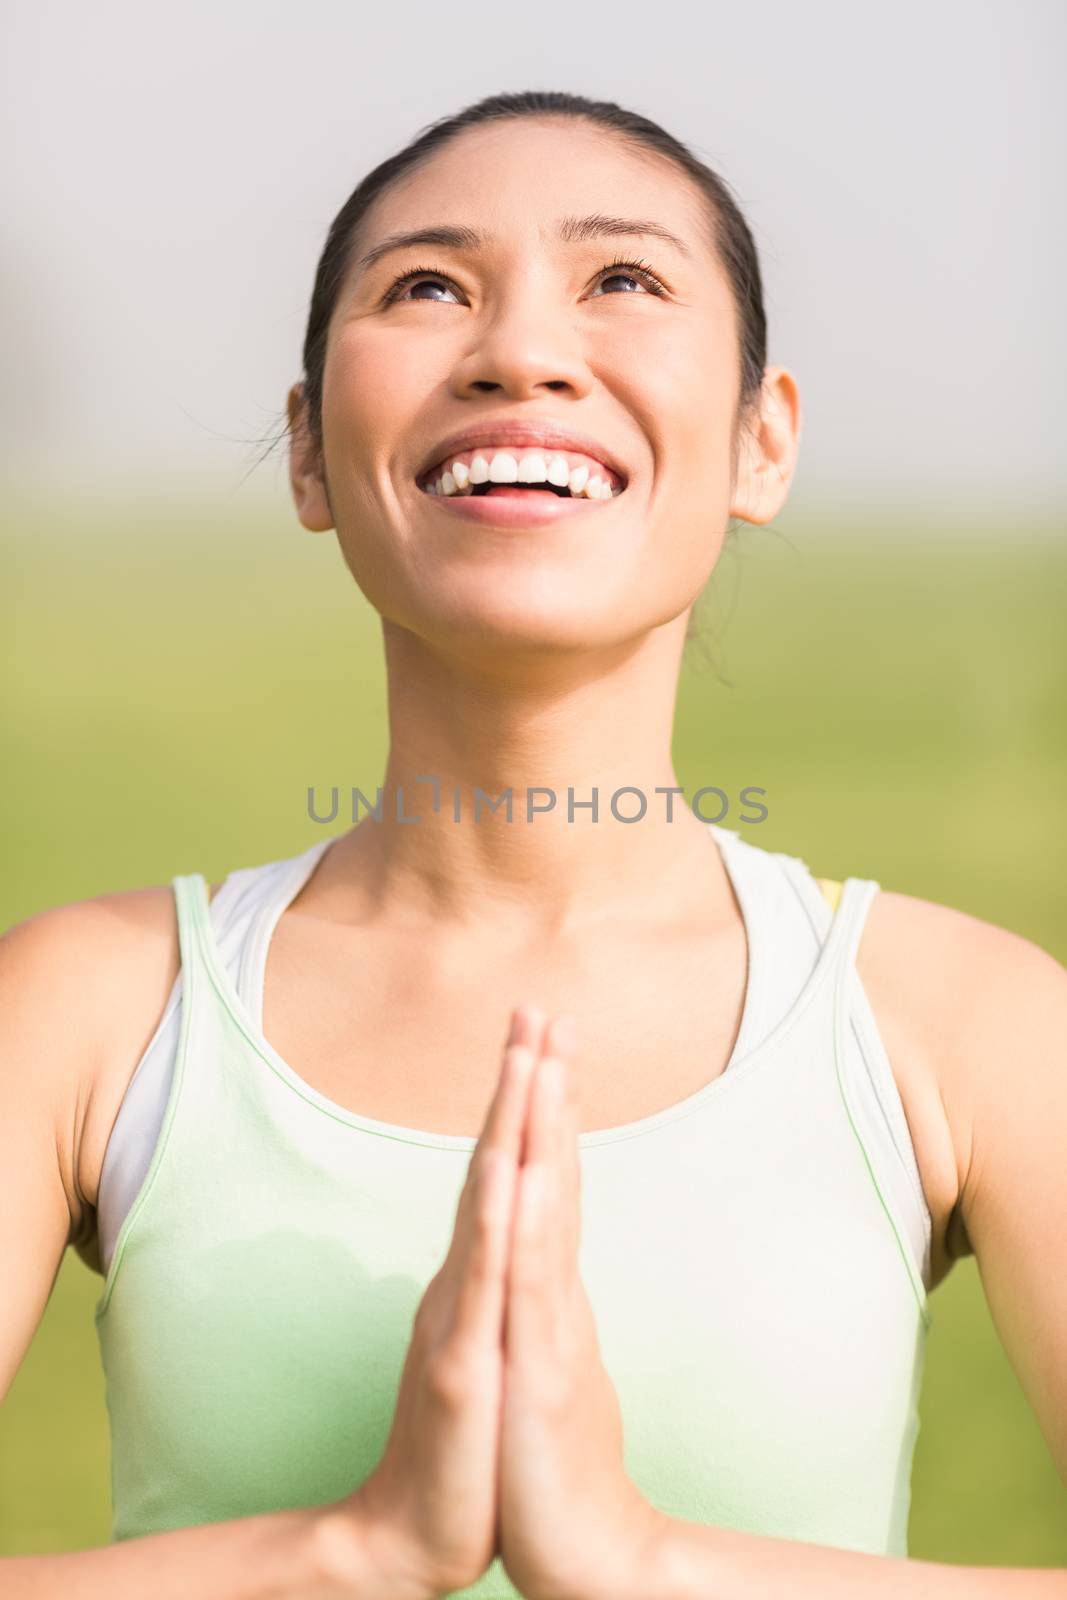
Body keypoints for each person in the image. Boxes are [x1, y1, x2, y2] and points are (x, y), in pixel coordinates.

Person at [1, 88, 1064, 1600]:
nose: (519, 352)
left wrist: (639, 1561)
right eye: (427, 286)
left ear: (763, 443)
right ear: (311, 453)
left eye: (623, 280)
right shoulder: (89, 1009)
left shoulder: (968, 1025)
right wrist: (346, 1550)